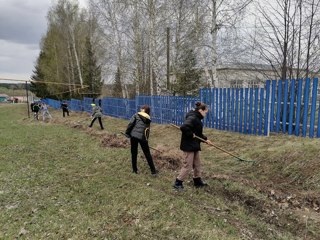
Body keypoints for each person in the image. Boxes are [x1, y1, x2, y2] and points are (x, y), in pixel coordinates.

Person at [173, 102, 212, 190]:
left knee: (197, 164)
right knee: (188, 165)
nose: (205, 114)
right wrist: (191, 134)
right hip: (188, 146)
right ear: (201, 110)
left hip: (194, 145)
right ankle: (178, 183)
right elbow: (184, 127)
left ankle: (197, 181)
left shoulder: (197, 118)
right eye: (205, 112)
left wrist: (205, 140)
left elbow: (198, 133)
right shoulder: (193, 117)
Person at [125, 105, 158, 176]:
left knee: (134, 153)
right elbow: (147, 130)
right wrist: (146, 139)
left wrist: (127, 133)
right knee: (147, 154)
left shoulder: (136, 115)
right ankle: (153, 171)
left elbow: (131, 124)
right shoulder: (148, 118)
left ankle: (134, 170)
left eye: (142, 108)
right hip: (143, 138)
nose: (140, 109)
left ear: (143, 110)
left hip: (133, 136)